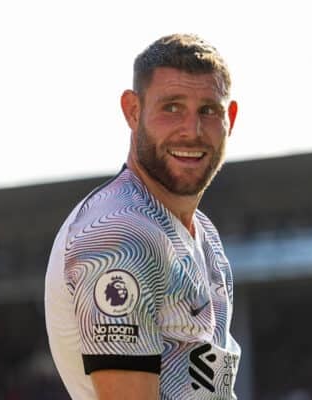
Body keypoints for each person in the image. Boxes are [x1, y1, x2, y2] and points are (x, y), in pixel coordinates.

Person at [44, 33, 241, 399]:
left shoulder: (204, 235)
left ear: (229, 118)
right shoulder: (121, 232)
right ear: (133, 111)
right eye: (171, 107)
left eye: (208, 111)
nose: (191, 130)